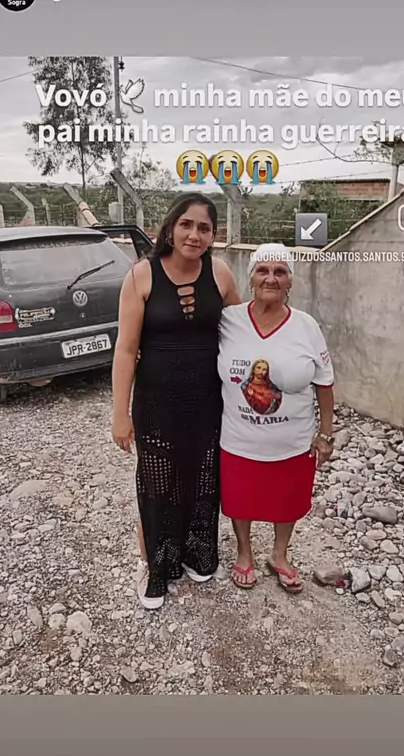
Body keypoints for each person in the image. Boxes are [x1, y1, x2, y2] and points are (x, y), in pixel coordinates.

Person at [111, 193, 241, 609]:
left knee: (203, 481)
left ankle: (195, 552)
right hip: (156, 406)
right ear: (170, 228)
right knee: (157, 486)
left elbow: (242, 335)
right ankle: (152, 565)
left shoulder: (221, 274)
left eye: (204, 228)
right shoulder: (141, 276)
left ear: (213, 235)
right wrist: (120, 415)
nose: (194, 234)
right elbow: (125, 350)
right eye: (186, 224)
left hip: (208, 403)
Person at [217, 243, 335, 593]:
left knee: (288, 501)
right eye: (263, 271)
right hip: (238, 439)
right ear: (251, 278)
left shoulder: (306, 326)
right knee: (240, 499)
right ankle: (244, 553)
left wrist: (325, 434)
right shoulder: (228, 320)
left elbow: (325, 382)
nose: (271, 278)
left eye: (280, 272)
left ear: (290, 282)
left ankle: (279, 555)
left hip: (293, 442)